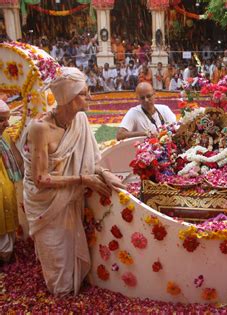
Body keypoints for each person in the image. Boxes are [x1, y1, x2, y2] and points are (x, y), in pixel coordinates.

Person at [20, 67, 125, 296]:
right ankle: (61, 295)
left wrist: (103, 173)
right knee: (57, 263)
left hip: (68, 199)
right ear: (67, 97)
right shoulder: (40, 128)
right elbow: (40, 180)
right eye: (83, 93)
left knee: (70, 253)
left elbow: (90, 160)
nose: (89, 97)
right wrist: (82, 179)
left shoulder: (81, 122)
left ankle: (69, 293)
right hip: (45, 203)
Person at [0, 100, 22, 263]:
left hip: (7, 189)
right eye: (1, 120)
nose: (6, 124)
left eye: (7, 119)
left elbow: (18, 159)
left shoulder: (6, 135)